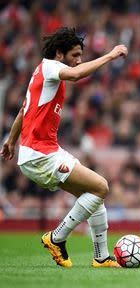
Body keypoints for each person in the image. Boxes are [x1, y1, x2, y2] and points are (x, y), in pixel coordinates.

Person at [1, 27, 128, 268]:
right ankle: (56, 237)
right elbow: (77, 74)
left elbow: (23, 111)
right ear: (59, 54)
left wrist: (10, 141)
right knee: (102, 186)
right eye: (75, 55)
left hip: (43, 151)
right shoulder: (50, 67)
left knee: (92, 195)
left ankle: (101, 258)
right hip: (40, 154)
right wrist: (110, 55)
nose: (78, 60)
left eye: (80, 55)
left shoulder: (42, 72)